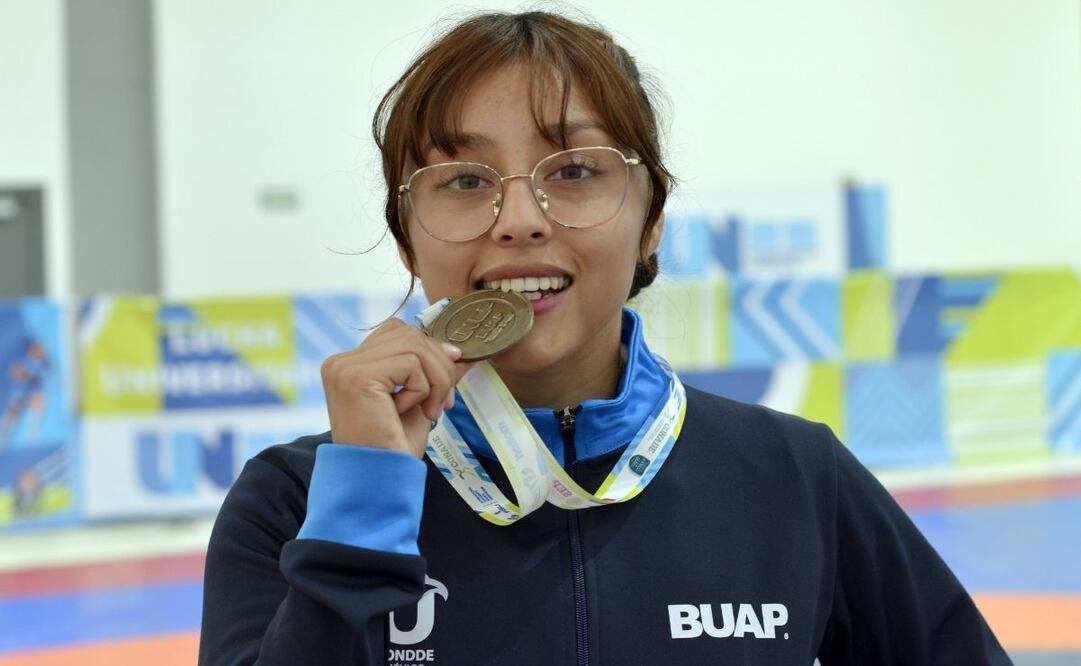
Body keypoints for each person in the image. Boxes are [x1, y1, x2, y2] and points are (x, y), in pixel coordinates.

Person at [199, 10, 1011, 665]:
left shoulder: (796, 478)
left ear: (650, 219)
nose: (517, 220)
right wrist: (361, 512)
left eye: (574, 172)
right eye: (464, 182)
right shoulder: (293, 501)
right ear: (409, 237)